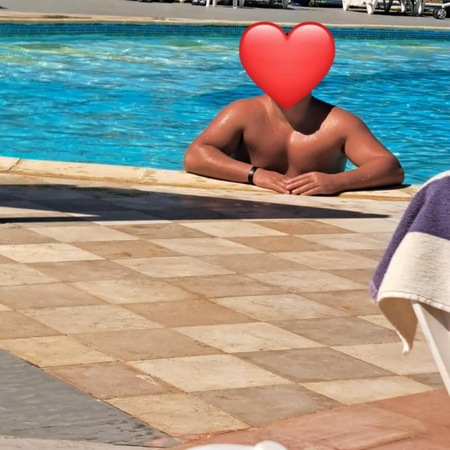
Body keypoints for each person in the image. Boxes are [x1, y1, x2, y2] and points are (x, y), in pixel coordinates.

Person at [184, 93, 405, 196]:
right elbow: (196, 155)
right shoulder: (243, 113)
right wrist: (255, 174)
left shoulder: (339, 124)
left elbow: (389, 167)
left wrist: (335, 182)